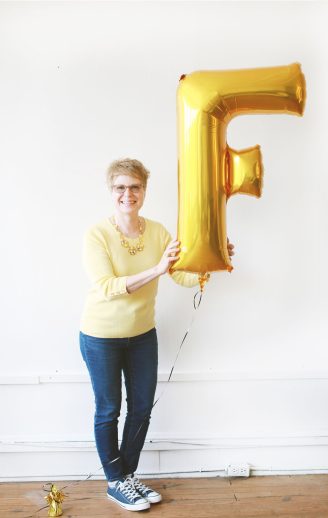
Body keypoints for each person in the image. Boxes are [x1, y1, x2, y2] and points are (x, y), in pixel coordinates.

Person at [79, 158, 232, 511]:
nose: (127, 194)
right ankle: (115, 480)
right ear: (111, 191)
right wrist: (157, 269)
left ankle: (126, 476)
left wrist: (215, 261)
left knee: (142, 408)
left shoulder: (159, 232)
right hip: (100, 336)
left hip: (143, 335)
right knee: (108, 410)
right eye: (120, 187)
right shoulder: (96, 235)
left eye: (135, 187)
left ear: (144, 191)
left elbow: (179, 275)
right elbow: (107, 287)